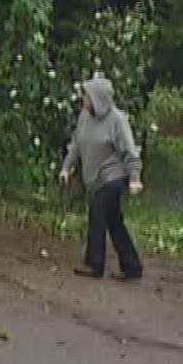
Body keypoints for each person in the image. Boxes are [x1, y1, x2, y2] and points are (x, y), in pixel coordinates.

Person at [59, 75, 144, 281]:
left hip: (113, 177)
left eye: (87, 96)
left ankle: (94, 264)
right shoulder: (84, 118)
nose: (84, 100)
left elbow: (129, 151)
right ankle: (132, 267)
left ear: (98, 98)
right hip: (95, 179)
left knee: (97, 214)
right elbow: (76, 145)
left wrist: (134, 178)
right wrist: (66, 168)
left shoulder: (117, 120)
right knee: (114, 222)